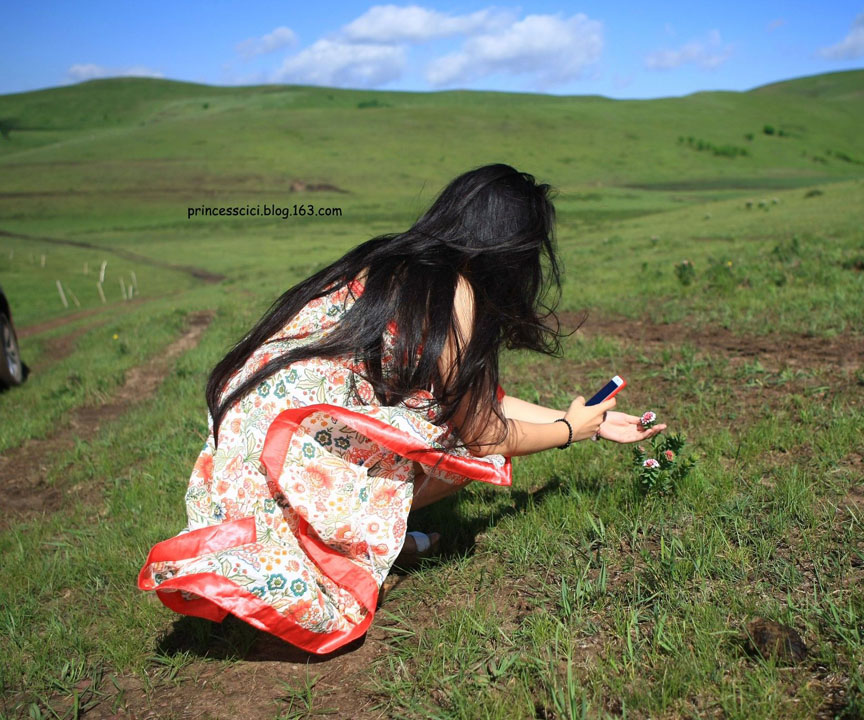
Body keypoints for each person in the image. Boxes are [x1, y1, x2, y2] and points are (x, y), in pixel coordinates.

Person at [137, 164, 666, 654]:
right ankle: (353, 548)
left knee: (437, 427)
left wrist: (578, 421)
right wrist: (570, 432)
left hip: (251, 446)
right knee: (459, 456)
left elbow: (477, 402)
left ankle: (372, 541)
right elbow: (484, 434)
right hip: (289, 453)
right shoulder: (456, 291)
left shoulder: (396, 262)